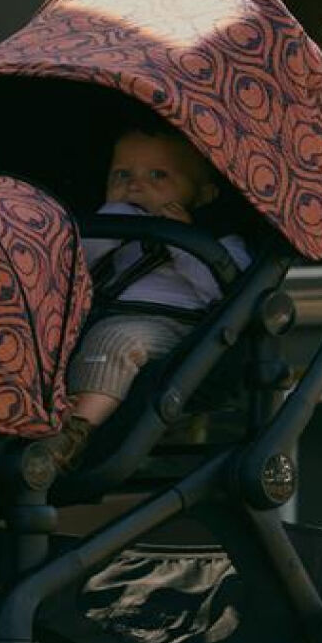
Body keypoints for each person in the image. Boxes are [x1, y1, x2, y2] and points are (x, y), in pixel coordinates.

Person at [51, 120, 250, 468]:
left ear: (203, 194)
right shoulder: (115, 230)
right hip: (101, 316)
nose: (136, 186)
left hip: (174, 328)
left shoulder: (221, 241)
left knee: (113, 341)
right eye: (121, 175)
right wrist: (111, 224)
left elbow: (225, 293)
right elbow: (72, 264)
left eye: (158, 176)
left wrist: (180, 239)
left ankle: (73, 433)